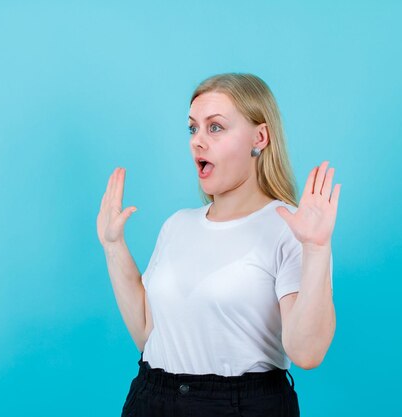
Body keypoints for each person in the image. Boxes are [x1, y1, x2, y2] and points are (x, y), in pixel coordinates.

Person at [96, 73, 341, 417]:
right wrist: (113, 245)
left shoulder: (290, 229)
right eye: (193, 128)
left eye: (215, 127)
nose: (197, 141)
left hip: (240, 405)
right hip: (152, 398)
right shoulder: (177, 225)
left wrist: (316, 248)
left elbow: (307, 353)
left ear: (260, 137)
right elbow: (147, 334)